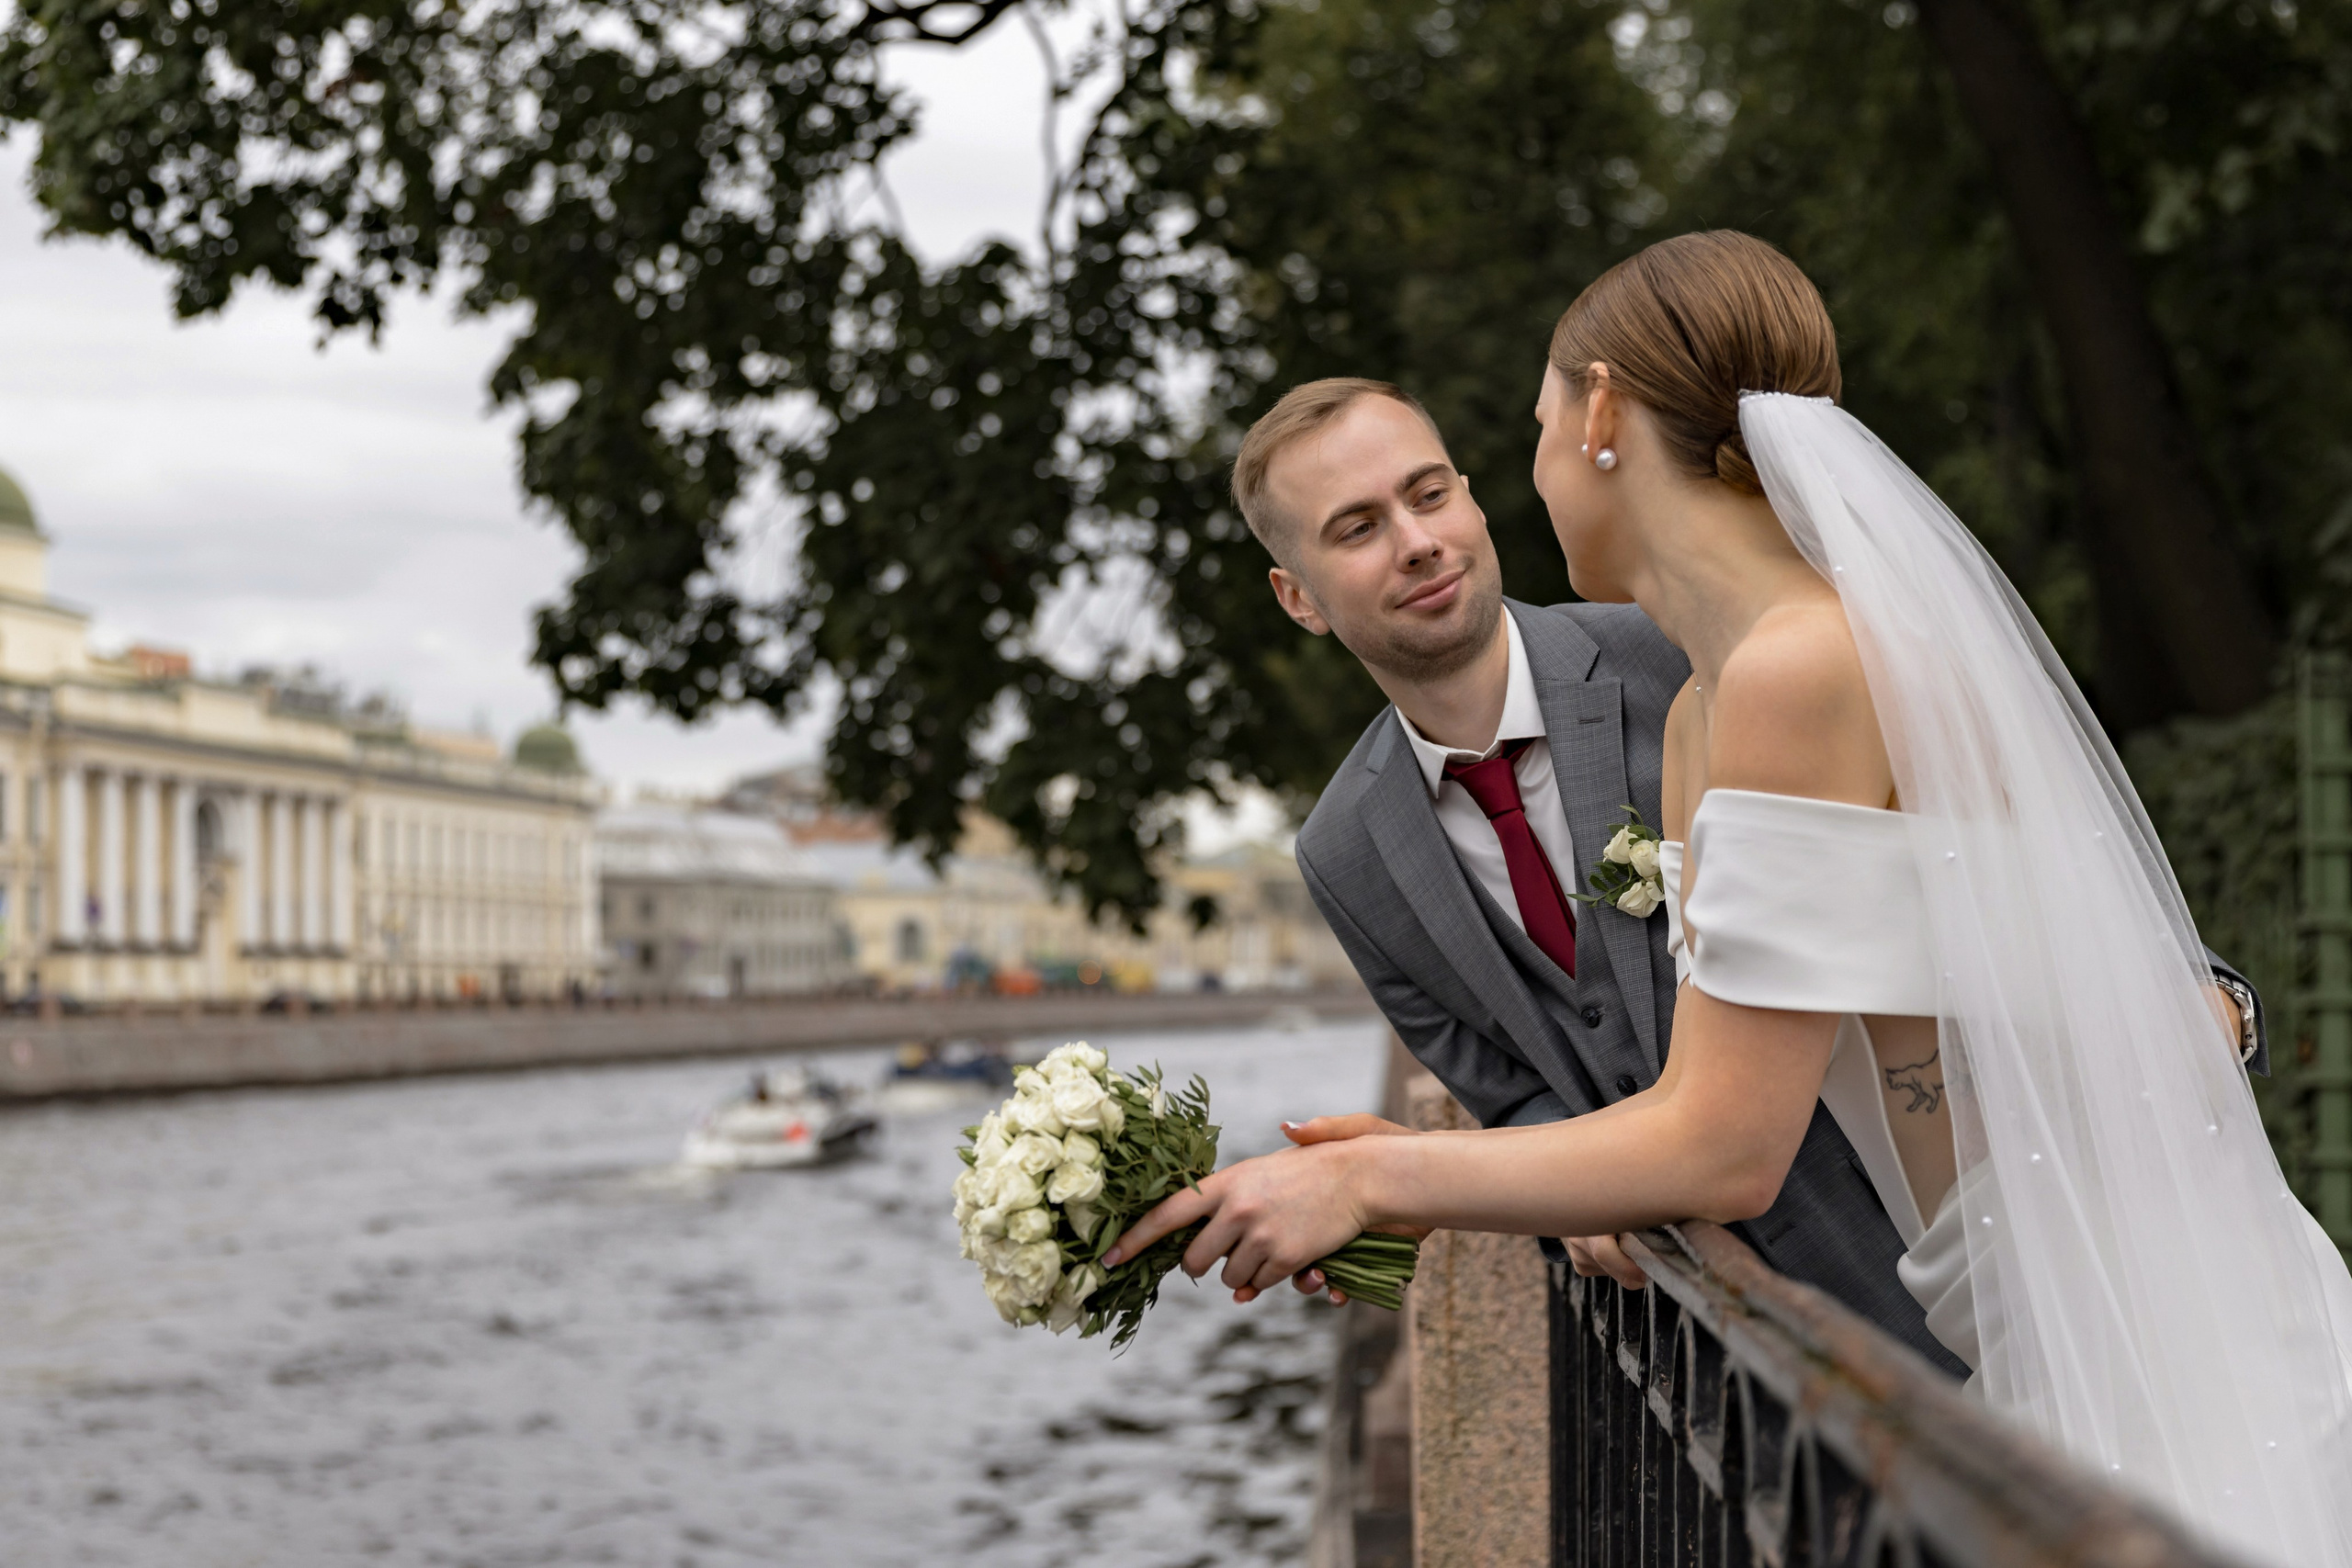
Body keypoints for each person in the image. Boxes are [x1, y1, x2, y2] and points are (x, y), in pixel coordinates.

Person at [1106, 232, 2352, 1563]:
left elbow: (1729, 1134)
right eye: (1360, 526)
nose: (1473, 512)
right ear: (1298, 590)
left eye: (1511, 442)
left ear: (1597, 418)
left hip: (2113, 1291)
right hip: (1985, 1308)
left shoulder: (1788, 675)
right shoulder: (1713, 705)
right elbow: (1683, 1079)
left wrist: (1379, 1181)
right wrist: (1466, 1173)